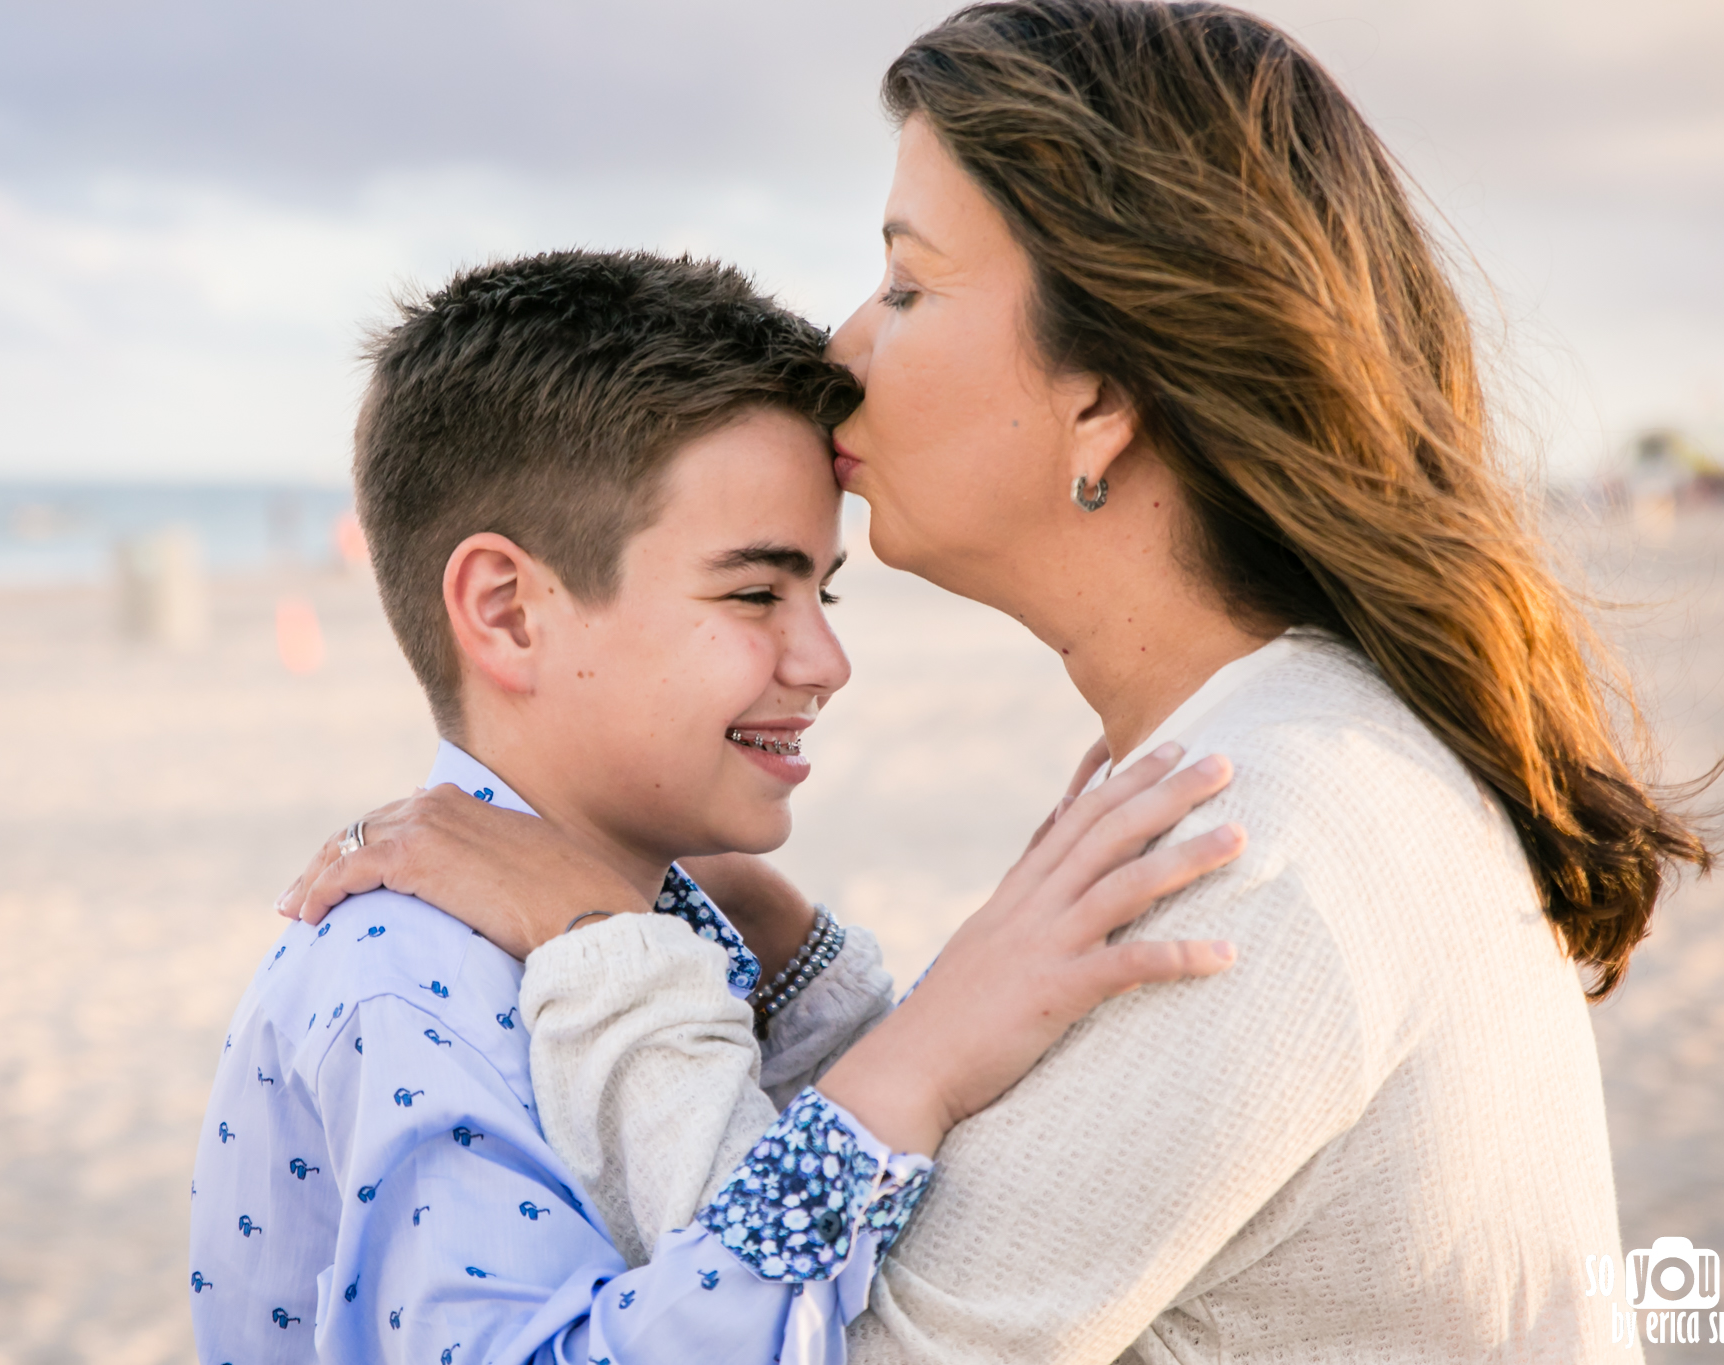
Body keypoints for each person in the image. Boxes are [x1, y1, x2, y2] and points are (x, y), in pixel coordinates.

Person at [280, 3, 1724, 1361]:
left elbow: (824, 1335)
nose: (844, 346)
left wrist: (602, 941)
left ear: (1099, 392)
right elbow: (1005, 1213)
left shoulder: (1256, 836)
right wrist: (817, 989)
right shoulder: (1263, 758)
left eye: (908, 282)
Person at [193, 249, 1245, 1365]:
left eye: (822, 590)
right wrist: (910, 1068)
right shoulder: (403, 979)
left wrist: (805, 981)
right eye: (754, 591)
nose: (826, 659)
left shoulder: (685, 920)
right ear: (505, 613)